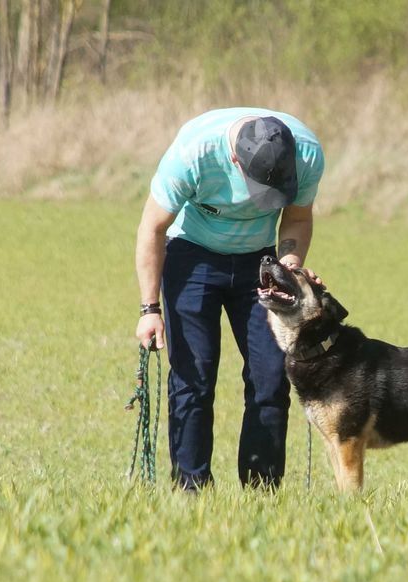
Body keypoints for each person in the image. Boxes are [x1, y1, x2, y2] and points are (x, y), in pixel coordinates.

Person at [134, 108, 325, 490]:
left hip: (260, 262)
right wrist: (149, 309)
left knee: (271, 377)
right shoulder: (193, 153)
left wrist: (288, 267)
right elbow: (152, 228)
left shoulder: (305, 153)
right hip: (191, 256)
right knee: (193, 377)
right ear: (235, 159)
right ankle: (192, 491)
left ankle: (262, 492)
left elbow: (298, 217)